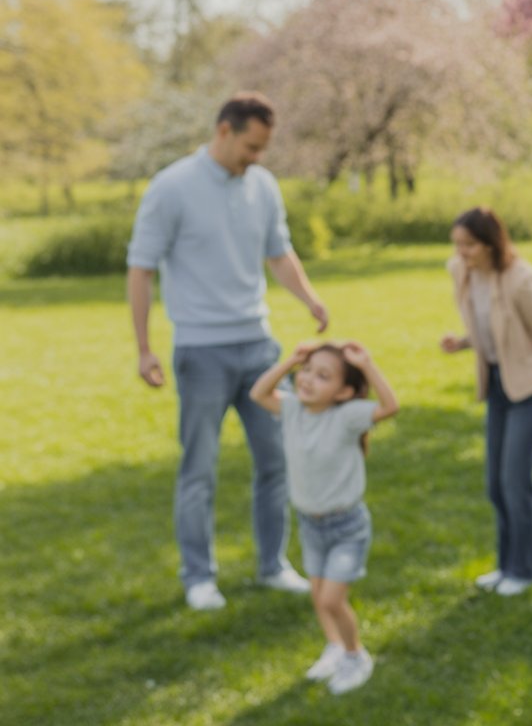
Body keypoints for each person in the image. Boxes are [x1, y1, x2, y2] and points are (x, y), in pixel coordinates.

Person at [127, 92, 330, 611]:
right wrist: (145, 349)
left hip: (259, 346)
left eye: (263, 148)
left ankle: (272, 566)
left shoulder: (262, 185)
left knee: (276, 460)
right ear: (223, 130)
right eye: (251, 145)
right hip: (201, 349)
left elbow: (278, 253)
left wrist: (309, 298)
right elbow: (141, 268)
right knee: (200, 468)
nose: (257, 157)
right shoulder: (171, 187)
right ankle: (199, 576)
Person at [440, 207, 532, 596]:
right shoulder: (460, 271)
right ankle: (506, 566)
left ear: (491, 244)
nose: (461, 253)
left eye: (468, 245)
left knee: (514, 481)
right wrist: (464, 342)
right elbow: (491, 327)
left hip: (530, 388)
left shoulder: (521, 280)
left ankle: (525, 570)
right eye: (457, 244)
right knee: (495, 484)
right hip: (497, 387)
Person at [249, 340, 398, 695]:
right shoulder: (292, 409)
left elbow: (390, 406)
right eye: (308, 371)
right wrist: (290, 362)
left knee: (332, 599)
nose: (309, 379)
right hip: (310, 524)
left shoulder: (346, 416)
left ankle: (355, 655)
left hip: (346, 527)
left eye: (323, 376)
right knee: (318, 595)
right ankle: (334, 648)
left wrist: (368, 364)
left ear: (344, 391)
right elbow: (258, 393)